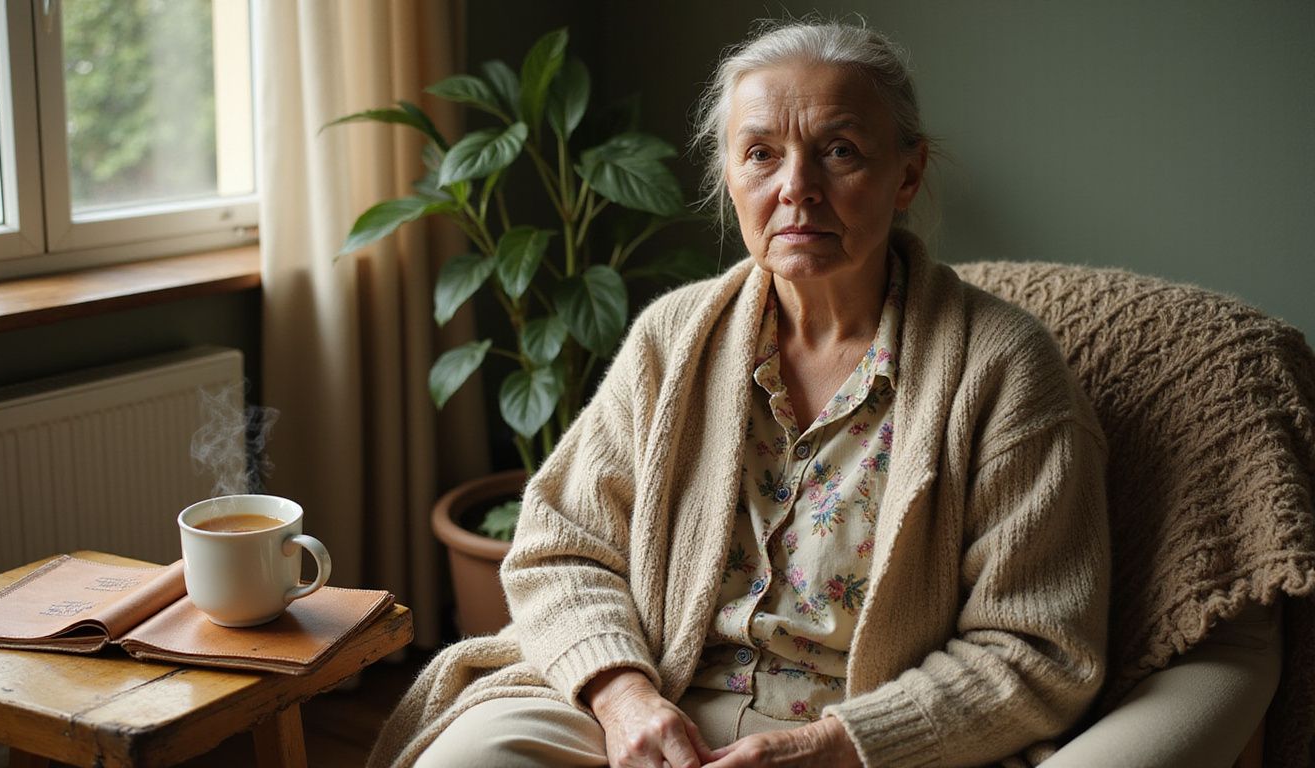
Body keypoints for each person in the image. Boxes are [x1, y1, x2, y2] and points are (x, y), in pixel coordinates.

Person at [369, 19, 1109, 768]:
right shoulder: (674, 335)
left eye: (840, 151)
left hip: (855, 739)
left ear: (907, 174)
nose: (797, 189)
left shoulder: (1004, 367)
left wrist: (830, 748)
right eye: (761, 154)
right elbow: (560, 546)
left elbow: (1036, 649)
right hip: (649, 694)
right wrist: (625, 697)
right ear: (730, 174)